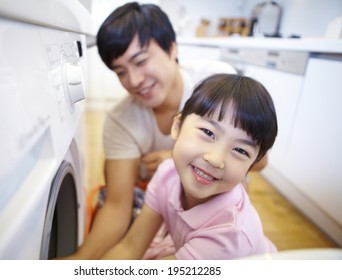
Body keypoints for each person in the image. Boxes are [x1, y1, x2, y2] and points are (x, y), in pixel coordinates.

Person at [63, 2, 264, 260]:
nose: (134, 81)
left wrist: (178, 157)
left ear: (172, 48)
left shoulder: (216, 85)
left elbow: (259, 159)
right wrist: (79, 262)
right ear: (178, 125)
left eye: (141, 61)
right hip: (164, 204)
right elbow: (117, 204)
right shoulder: (121, 121)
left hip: (218, 206)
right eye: (120, 71)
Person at [101, 73, 278, 260]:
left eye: (241, 151)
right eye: (208, 132)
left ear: (252, 164)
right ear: (177, 126)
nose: (215, 159)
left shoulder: (228, 235)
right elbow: (130, 247)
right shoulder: (166, 175)